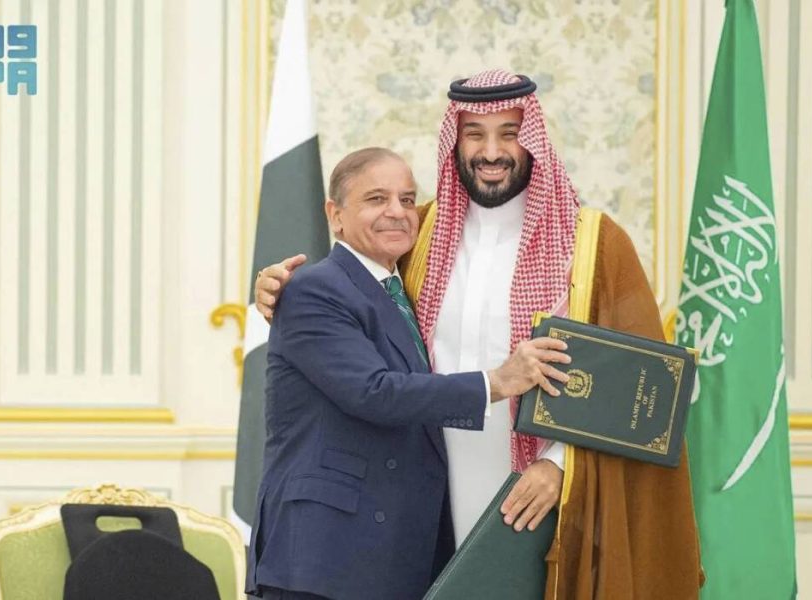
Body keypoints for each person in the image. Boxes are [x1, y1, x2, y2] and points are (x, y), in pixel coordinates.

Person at [257, 72, 703, 598]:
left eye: (509, 133)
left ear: (532, 139)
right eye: (475, 134)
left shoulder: (593, 245)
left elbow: (644, 388)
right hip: (416, 510)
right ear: (455, 141)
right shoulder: (419, 235)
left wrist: (560, 465)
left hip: (537, 495)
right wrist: (275, 288)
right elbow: (349, 297)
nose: (491, 152)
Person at [246, 147, 571, 600]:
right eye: (376, 199)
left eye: (406, 198)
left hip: (392, 559)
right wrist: (497, 382)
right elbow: (374, 392)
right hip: (325, 559)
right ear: (335, 215)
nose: (397, 212)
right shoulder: (313, 288)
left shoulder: (403, 289)